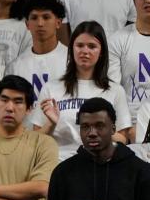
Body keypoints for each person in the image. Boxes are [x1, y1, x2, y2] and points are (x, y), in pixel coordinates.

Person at [44, 97, 150, 200]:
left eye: (99, 126)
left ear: (113, 129)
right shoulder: (63, 173)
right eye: (85, 127)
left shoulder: (140, 172)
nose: (92, 133)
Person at [33, 22, 130, 161]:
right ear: (71, 49)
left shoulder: (115, 90)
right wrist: (51, 124)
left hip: (99, 164)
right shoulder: (51, 88)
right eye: (79, 45)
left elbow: (122, 140)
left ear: (101, 51)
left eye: (92, 46)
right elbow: (35, 141)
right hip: (58, 163)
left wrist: (99, 128)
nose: (85, 51)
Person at [6, 0, 68, 100]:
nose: (40, 23)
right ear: (27, 24)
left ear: (58, 23)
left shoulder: (71, 60)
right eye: (34, 18)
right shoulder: (15, 67)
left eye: (46, 17)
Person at [108, 0, 150, 124]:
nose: (148, 0)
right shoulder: (117, 40)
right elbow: (113, 90)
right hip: (130, 123)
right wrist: (125, 127)